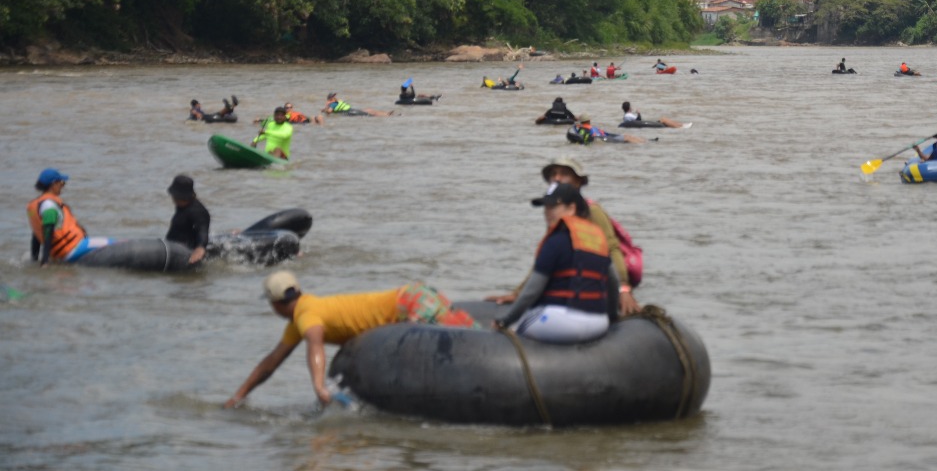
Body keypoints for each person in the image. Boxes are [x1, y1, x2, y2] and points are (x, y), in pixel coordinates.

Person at [224, 271, 474, 408]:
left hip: (409, 304)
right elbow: (272, 361)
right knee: (469, 336)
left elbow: (315, 345)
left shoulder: (307, 315)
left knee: (464, 347)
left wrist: (320, 387)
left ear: (276, 304)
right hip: (414, 296)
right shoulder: (304, 312)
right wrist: (239, 396)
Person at [488, 156, 641, 318]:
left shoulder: (592, 212)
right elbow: (544, 262)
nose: (557, 178)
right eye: (553, 174)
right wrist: (518, 292)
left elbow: (612, 249)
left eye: (564, 174)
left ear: (578, 182)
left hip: (597, 289)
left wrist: (623, 288)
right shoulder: (556, 214)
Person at [491, 181, 620, 343]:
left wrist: (505, 321)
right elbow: (614, 281)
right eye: (546, 207)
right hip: (599, 323)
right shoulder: (596, 239)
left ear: (572, 208)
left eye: (553, 207)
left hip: (562, 322)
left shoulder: (555, 241)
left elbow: (532, 291)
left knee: (512, 328)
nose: (547, 212)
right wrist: (612, 317)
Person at [28, 169, 114, 265]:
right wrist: (45, 261)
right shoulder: (49, 205)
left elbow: (37, 235)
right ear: (53, 184)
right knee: (113, 244)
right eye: (62, 183)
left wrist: (34, 259)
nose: (62, 186)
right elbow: (48, 231)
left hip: (62, 252)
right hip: (71, 248)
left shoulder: (39, 205)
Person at [164, 175, 209, 264]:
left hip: (186, 250)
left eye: (175, 196)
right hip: (172, 246)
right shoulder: (181, 206)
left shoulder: (198, 211)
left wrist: (200, 248)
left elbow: (202, 230)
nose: (173, 199)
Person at [569, 115, 645, 144]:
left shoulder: (581, 128)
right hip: (605, 138)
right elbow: (596, 135)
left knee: (627, 136)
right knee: (627, 137)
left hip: (605, 137)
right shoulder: (588, 128)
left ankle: (644, 142)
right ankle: (644, 143)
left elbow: (576, 129)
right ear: (589, 120)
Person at [621, 101, 686, 128]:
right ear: (629, 108)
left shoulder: (626, 115)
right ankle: (679, 126)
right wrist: (638, 113)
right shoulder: (628, 115)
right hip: (642, 124)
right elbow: (638, 120)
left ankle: (680, 125)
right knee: (663, 119)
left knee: (663, 119)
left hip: (642, 123)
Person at [323, 93, 392, 117]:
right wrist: (326, 109)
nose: (336, 97)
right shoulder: (332, 104)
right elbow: (329, 111)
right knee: (369, 114)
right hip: (349, 113)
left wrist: (324, 110)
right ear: (331, 98)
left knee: (369, 110)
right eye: (334, 96)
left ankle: (386, 114)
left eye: (335, 96)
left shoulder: (336, 102)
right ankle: (385, 116)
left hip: (351, 110)